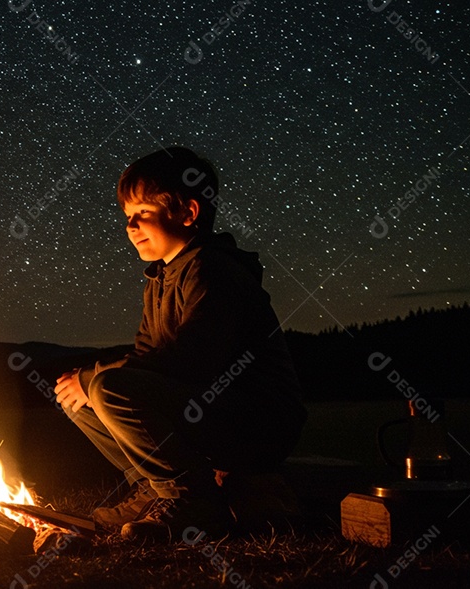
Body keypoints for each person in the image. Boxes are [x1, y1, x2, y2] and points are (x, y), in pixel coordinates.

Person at [54, 146, 307, 541]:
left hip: (257, 418)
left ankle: (192, 501)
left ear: (187, 213)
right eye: (127, 218)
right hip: (206, 408)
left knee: (106, 388)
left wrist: (97, 377)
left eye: (142, 214)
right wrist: (87, 380)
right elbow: (144, 357)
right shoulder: (159, 280)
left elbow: (193, 360)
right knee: (79, 396)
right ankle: (153, 490)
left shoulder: (213, 270)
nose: (130, 226)